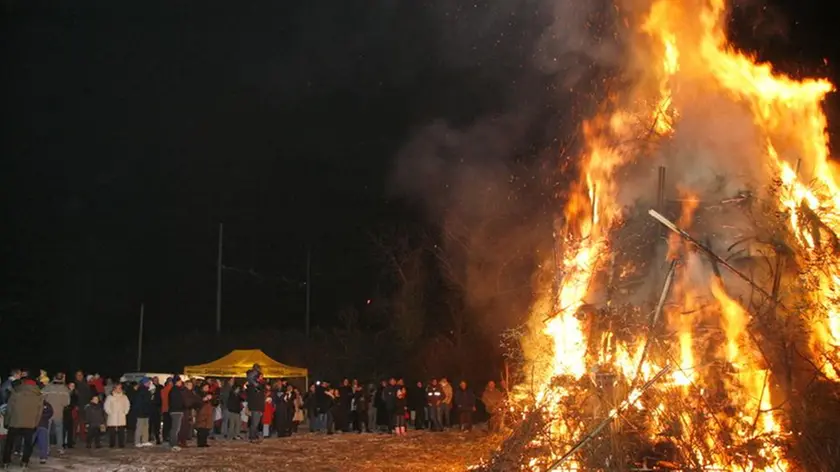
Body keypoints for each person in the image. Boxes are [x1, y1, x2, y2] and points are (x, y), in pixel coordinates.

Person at [1, 377, 42, 468]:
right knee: (28, 444)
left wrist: (6, 422)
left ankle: (6, 462)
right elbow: (39, 412)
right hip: (30, 424)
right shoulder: (39, 395)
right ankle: (24, 462)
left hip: (15, 422)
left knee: (9, 443)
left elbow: (9, 409)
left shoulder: (15, 393)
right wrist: (35, 423)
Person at [41, 373, 70, 455]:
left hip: (48, 412)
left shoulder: (48, 387)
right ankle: (60, 448)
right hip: (58, 412)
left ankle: (46, 448)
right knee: (59, 430)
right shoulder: (64, 389)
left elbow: (41, 396)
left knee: (47, 430)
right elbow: (67, 403)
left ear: (54, 377)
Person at [104, 383, 130, 448]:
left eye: (120, 388)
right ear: (114, 389)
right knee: (112, 431)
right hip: (113, 416)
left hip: (121, 416)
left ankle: (121, 444)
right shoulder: (110, 397)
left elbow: (127, 405)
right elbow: (106, 406)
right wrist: (110, 412)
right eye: (118, 388)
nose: (119, 389)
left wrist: (125, 412)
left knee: (121, 431)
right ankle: (112, 443)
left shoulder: (124, 397)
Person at [132, 378, 153, 447]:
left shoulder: (146, 390)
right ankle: (137, 442)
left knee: (145, 427)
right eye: (148, 382)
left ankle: (145, 440)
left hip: (145, 411)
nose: (150, 384)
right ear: (145, 383)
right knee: (140, 427)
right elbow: (140, 402)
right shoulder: (141, 391)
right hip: (141, 412)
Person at [167, 377, 185, 450]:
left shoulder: (175, 390)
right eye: (180, 381)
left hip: (175, 411)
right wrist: (182, 406)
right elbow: (177, 401)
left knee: (175, 428)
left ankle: (173, 443)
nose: (181, 382)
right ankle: (173, 444)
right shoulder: (176, 390)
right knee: (175, 428)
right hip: (176, 411)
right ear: (177, 382)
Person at [33, 400, 53, 464]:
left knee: (29, 440)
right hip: (43, 424)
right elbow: (50, 413)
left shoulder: (31, 402)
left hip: (33, 424)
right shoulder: (46, 404)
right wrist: (44, 417)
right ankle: (43, 457)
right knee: (43, 441)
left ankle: (25, 455)